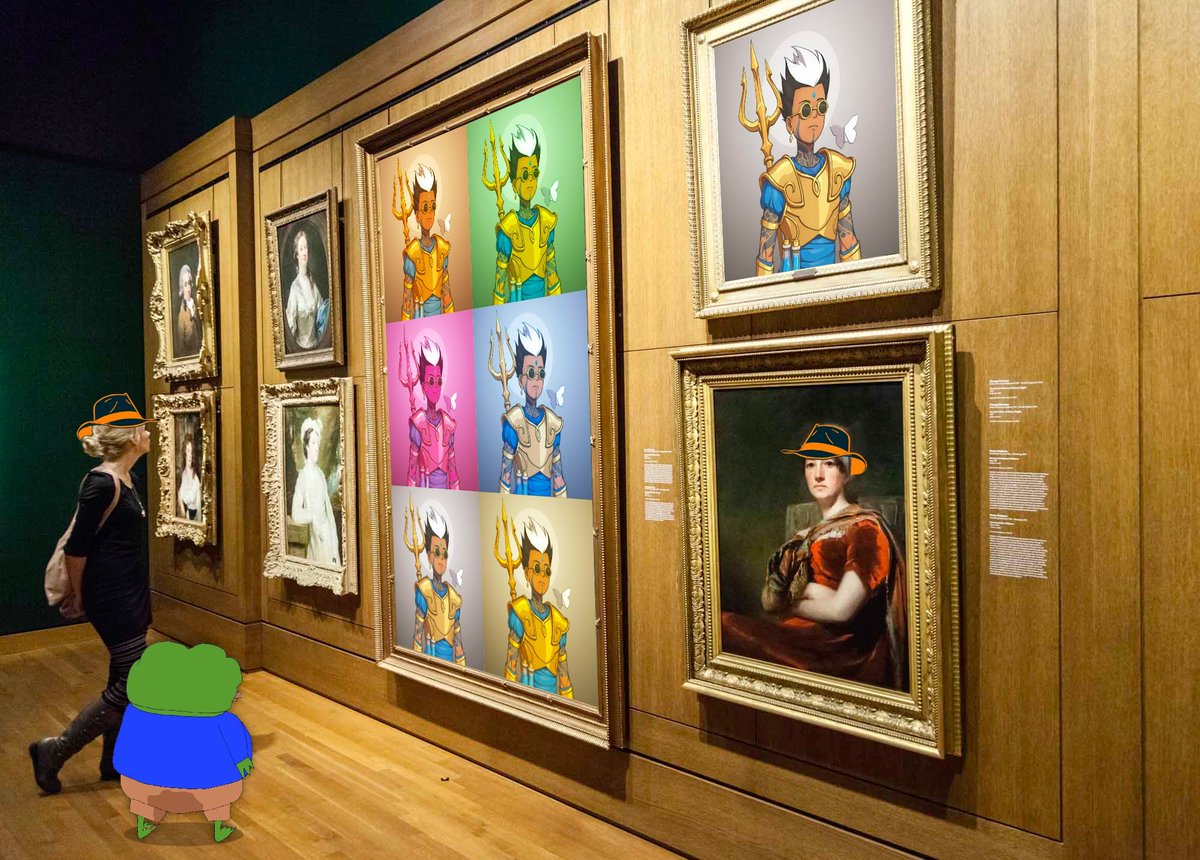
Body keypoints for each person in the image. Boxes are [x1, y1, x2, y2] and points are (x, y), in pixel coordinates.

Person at [721, 424, 908, 691]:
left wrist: (794, 600)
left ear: (846, 474)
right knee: (720, 627)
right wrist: (803, 595)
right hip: (799, 636)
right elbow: (769, 598)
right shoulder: (804, 535)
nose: (818, 474)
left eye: (829, 464)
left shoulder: (864, 528)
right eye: (810, 465)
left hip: (837, 651)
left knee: (726, 626)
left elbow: (840, 611)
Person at [30, 393, 153, 795]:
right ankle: (54, 751)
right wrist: (80, 594)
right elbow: (76, 547)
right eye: (143, 428)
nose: (148, 433)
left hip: (130, 591)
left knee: (123, 675)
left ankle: (113, 763)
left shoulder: (126, 479)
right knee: (135, 681)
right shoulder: (102, 483)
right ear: (131, 436)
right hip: (111, 595)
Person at [755, 46, 861, 274]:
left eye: (820, 107)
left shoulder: (838, 170)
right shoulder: (779, 180)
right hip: (791, 288)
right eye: (805, 110)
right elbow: (766, 256)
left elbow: (848, 243)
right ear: (789, 123)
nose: (814, 115)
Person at [492, 125, 562, 303]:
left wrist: (559, 305)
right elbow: (500, 287)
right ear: (514, 183)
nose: (530, 181)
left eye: (534, 173)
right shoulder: (508, 228)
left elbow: (553, 278)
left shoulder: (546, 221)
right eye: (524, 175)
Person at [504, 517, 572, 697]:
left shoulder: (558, 622)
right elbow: (511, 667)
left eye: (546, 570)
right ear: (527, 573)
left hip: (554, 704)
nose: (542, 576)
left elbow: (564, 679)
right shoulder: (520, 612)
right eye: (536, 568)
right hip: (527, 699)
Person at [499, 323, 566, 497]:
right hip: (522, 504)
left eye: (540, 373)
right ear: (520, 380)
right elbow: (505, 479)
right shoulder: (514, 422)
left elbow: (558, 480)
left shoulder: (553, 423)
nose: (536, 379)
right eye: (530, 373)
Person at [412, 507, 466, 665]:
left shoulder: (454, 598)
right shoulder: (424, 591)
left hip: (451, 667)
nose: (441, 559)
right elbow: (418, 637)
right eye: (437, 552)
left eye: (445, 553)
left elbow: (458, 646)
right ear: (429, 556)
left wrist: (463, 671)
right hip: (431, 664)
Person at [401, 163, 453, 319]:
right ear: (417, 215)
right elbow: (407, 300)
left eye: (432, 206)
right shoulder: (413, 253)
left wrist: (452, 321)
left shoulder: (442, 248)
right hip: (420, 319)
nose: (429, 213)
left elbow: (447, 294)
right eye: (425, 208)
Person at [407, 337, 460, 489]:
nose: (435, 387)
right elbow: (412, 472)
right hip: (425, 493)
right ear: (423, 386)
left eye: (439, 381)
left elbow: (453, 472)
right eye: (431, 381)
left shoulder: (449, 424)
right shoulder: (418, 423)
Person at [290, 417, 341, 566]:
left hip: (328, 536)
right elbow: (296, 512)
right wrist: (312, 517)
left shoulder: (320, 474)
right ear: (306, 446)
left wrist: (332, 539)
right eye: (313, 443)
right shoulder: (303, 477)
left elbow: (328, 510)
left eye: (317, 443)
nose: (317, 447)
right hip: (315, 537)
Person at [284, 227, 327, 350]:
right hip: (301, 349)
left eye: (306, 248)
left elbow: (322, 314)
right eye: (301, 248)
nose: (304, 253)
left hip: (318, 348)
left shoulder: (313, 283)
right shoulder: (295, 287)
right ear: (296, 254)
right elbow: (291, 326)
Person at [174, 264, 200, 357]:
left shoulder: (197, 306)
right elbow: (181, 348)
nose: (188, 289)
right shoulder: (182, 315)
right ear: (182, 288)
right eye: (185, 285)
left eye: (189, 283)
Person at [177, 436, 201, 521]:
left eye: (191, 451)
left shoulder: (196, 477)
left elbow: (199, 507)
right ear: (184, 453)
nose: (190, 455)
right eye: (188, 451)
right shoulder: (181, 475)